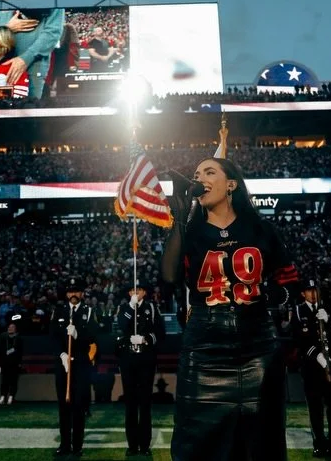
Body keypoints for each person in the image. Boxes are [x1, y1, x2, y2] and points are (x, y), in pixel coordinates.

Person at [161, 158, 300, 461]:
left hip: (259, 347)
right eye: (196, 174)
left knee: (261, 445)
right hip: (204, 348)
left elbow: (290, 284)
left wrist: (274, 296)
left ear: (231, 184)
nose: (199, 177)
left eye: (209, 172)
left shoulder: (262, 229)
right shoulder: (190, 231)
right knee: (195, 446)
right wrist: (180, 217)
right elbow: (169, 276)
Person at [292, 281, 331, 458]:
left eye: (315, 290)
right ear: (303, 294)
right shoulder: (299, 311)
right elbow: (299, 338)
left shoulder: (329, 309)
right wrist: (318, 356)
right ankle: (319, 445)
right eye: (309, 291)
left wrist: (329, 321)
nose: (313, 294)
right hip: (312, 368)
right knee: (315, 409)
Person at [50, 278, 98, 457]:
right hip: (63, 365)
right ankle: (64, 444)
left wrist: (78, 334)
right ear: (66, 294)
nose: (73, 295)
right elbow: (53, 337)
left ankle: (77, 445)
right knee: (63, 405)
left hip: (81, 366)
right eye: (70, 291)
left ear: (82, 294)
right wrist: (62, 355)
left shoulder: (89, 311)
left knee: (78, 406)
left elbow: (94, 336)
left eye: (77, 291)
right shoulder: (59, 311)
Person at [116, 281, 165, 457]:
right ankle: (132, 445)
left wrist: (145, 339)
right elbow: (121, 325)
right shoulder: (124, 308)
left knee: (145, 402)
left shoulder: (151, 308)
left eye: (139, 290)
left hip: (145, 359)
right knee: (130, 402)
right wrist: (131, 305)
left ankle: (144, 445)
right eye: (132, 290)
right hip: (128, 359)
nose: (135, 293)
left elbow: (161, 333)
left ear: (144, 292)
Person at [0, 8, 65, 99]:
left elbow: (52, 33)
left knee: (28, 108)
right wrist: (7, 28)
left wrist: (26, 58)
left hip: (32, 65)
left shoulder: (53, 0)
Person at [0, 322, 24, 405]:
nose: (10, 328)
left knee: (13, 381)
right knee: (4, 381)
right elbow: (0, 352)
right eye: (9, 327)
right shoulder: (3, 338)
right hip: (5, 363)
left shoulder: (18, 339)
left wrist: (19, 363)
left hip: (14, 364)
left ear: (16, 329)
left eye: (12, 327)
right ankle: (3, 396)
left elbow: (20, 352)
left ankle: (11, 396)